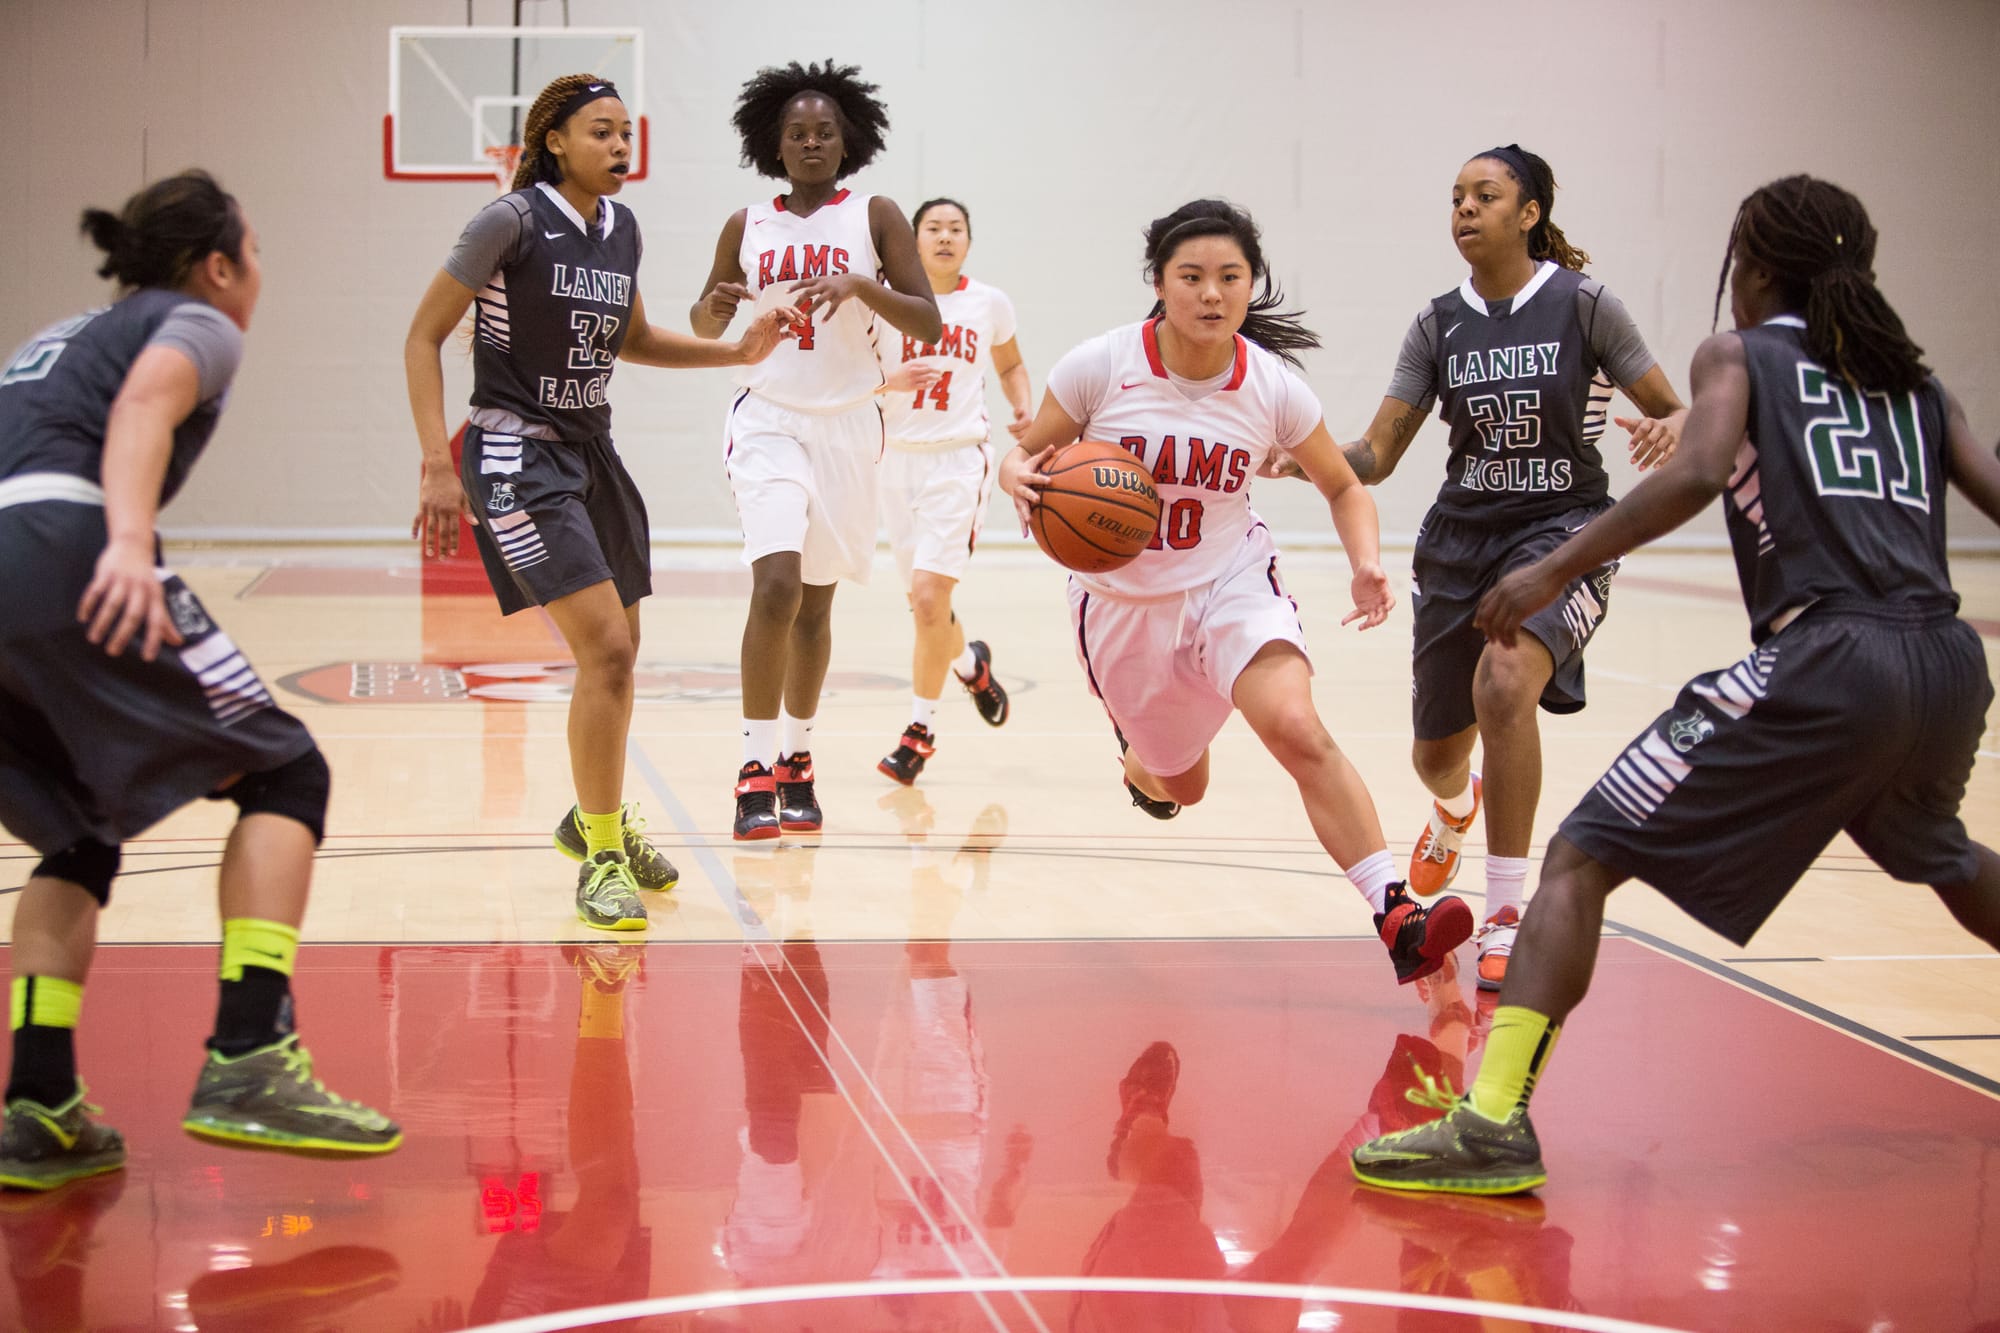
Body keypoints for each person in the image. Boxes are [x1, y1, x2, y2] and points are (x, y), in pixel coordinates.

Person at [1352, 175, 2000, 1194]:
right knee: (1937, 849)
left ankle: (1492, 1122)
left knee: (1579, 858)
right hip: (1949, 662)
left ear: (1753, 266)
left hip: (1829, 656)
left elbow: (1696, 472)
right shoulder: (1920, 389)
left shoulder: (1738, 354)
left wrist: (1553, 568)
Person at [0, 170, 399, 1190]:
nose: (258, 272)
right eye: (254, 252)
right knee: (285, 773)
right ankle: (250, 1053)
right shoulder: (197, 322)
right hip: (63, 547)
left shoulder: (56, 339)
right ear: (218, 266)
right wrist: (129, 541)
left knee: (77, 835)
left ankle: (39, 1102)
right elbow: (145, 404)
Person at [1000, 199, 1471, 984]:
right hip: (1123, 608)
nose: (1212, 293)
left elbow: (1344, 485)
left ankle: (1397, 914)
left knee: (1297, 727)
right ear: (1159, 283)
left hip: (1230, 582)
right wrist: (1015, 473)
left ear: (1253, 284)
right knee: (1182, 785)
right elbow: (1024, 455)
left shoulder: (1273, 387)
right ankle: (1140, 759)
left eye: (1230, 276)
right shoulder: (1100, 366)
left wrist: (1365, 561)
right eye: (1191, 277)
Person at [407, 74, 794, 927]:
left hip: (593, 454)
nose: (620, 146)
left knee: (621, 654)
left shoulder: (621, 228)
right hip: (515, 455)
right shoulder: (509, 222)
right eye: (600, 131)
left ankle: (593, 820)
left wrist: (737, 353)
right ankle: (603, 856)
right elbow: (422, 335)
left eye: (626, 132)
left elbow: (635, 338)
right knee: (609, 652)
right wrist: (438, 462)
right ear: (555, 140)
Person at [1340, 145, 1689, 990]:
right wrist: (1306, 455)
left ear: (1529, 213)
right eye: (1456, 196)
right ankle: (1455, 805)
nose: (1464, 208)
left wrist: (1672, 427)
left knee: (1504, 684)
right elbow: (1378, 452)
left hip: (1561, 531)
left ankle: (1504, 914)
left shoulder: (1585, 305)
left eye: (1485, 195)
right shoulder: (1438, 323)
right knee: (1434, 756)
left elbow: (1676, 410)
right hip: (1459, 540)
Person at [690, 60, 943, 840]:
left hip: (849, 425)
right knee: (776, 585)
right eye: (796, 132)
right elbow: (703, 325)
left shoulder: (876, 215)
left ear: (846, 141)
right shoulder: (746, 224)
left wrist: (861, 286)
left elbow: (928, 321)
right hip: (768, 417)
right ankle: (752, 767)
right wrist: (714, 304)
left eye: (824, 132)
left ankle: (797, 756)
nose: (809, 142)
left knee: (816, 603)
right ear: (774, 143)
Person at [873, 198, 1031, 785]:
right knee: (925, 607)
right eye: (933, 228)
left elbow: (1010, 364)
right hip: (895, 461)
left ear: (968, 240)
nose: (944, 237)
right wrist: (886, 382)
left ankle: (919, 733)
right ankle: (970, 665)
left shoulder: (988, 303)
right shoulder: (884, 301)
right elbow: (852, 375)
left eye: (955, 229)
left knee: (929, 598)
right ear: (913, 240)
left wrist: (1023, 404)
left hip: (959, 460)